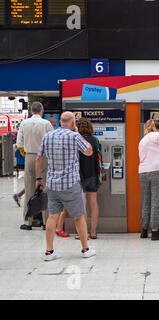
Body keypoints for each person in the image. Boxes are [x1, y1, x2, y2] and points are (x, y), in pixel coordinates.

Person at [35, 111, 96, 261]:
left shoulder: (48, 136)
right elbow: (89, 151)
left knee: (52, 216)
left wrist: (38, 179)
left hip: (52, 184)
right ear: (73, 123)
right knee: (79, 216)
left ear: (60, 121)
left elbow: (38, 158)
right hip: (71, 184)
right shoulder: (74, 136)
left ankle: (49, 252)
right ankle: (85, 249)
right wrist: (78, 133)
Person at [16, 102, 54, 230]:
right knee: (44, 189)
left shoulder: (24, 123)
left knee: (29, 189)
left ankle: (28, 222)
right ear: (42, 111)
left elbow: (19, 143)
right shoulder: (47, 124)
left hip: (30, 156)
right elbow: (52, 141)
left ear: (31, 111)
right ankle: (45, 222)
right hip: (44, 157)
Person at [139, 120, 159, 240]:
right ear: (158, 129)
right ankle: (155, 231)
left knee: (146, 201)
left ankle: (144, 231)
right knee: (157, 201)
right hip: (157, 171)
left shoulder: (142, 140)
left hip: (143, 172)